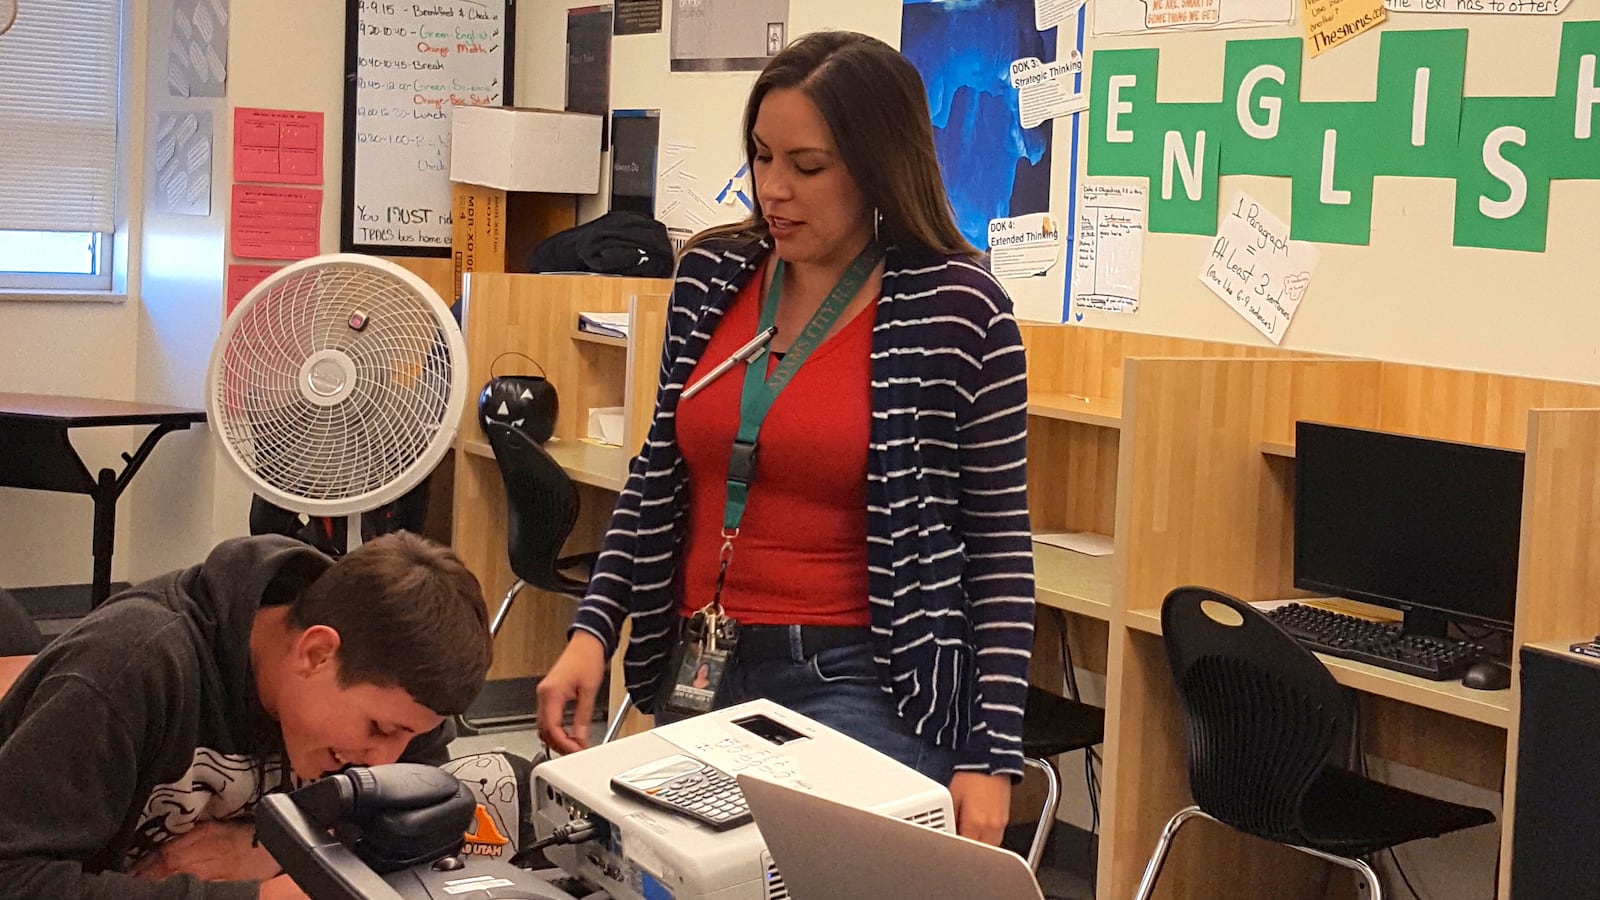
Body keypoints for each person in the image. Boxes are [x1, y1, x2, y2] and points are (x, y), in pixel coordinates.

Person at [536, 30, 1035, 845]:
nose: (774, 190)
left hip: (864, 678)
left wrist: (992, 756)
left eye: (808, 167)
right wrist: (594, 627)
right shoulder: (711, 277)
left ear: (877, 166)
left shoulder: (958, 310)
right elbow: (659, 469)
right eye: (762, 157)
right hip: (704, 658)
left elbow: (1000, 553)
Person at [0, 532, 493, 899]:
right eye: (379, 730)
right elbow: (14, 877)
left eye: (408, 737)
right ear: (317, 653)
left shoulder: (395, 685)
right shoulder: (128, 668)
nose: (385, 760)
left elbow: (419, 830)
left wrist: (274, 849)